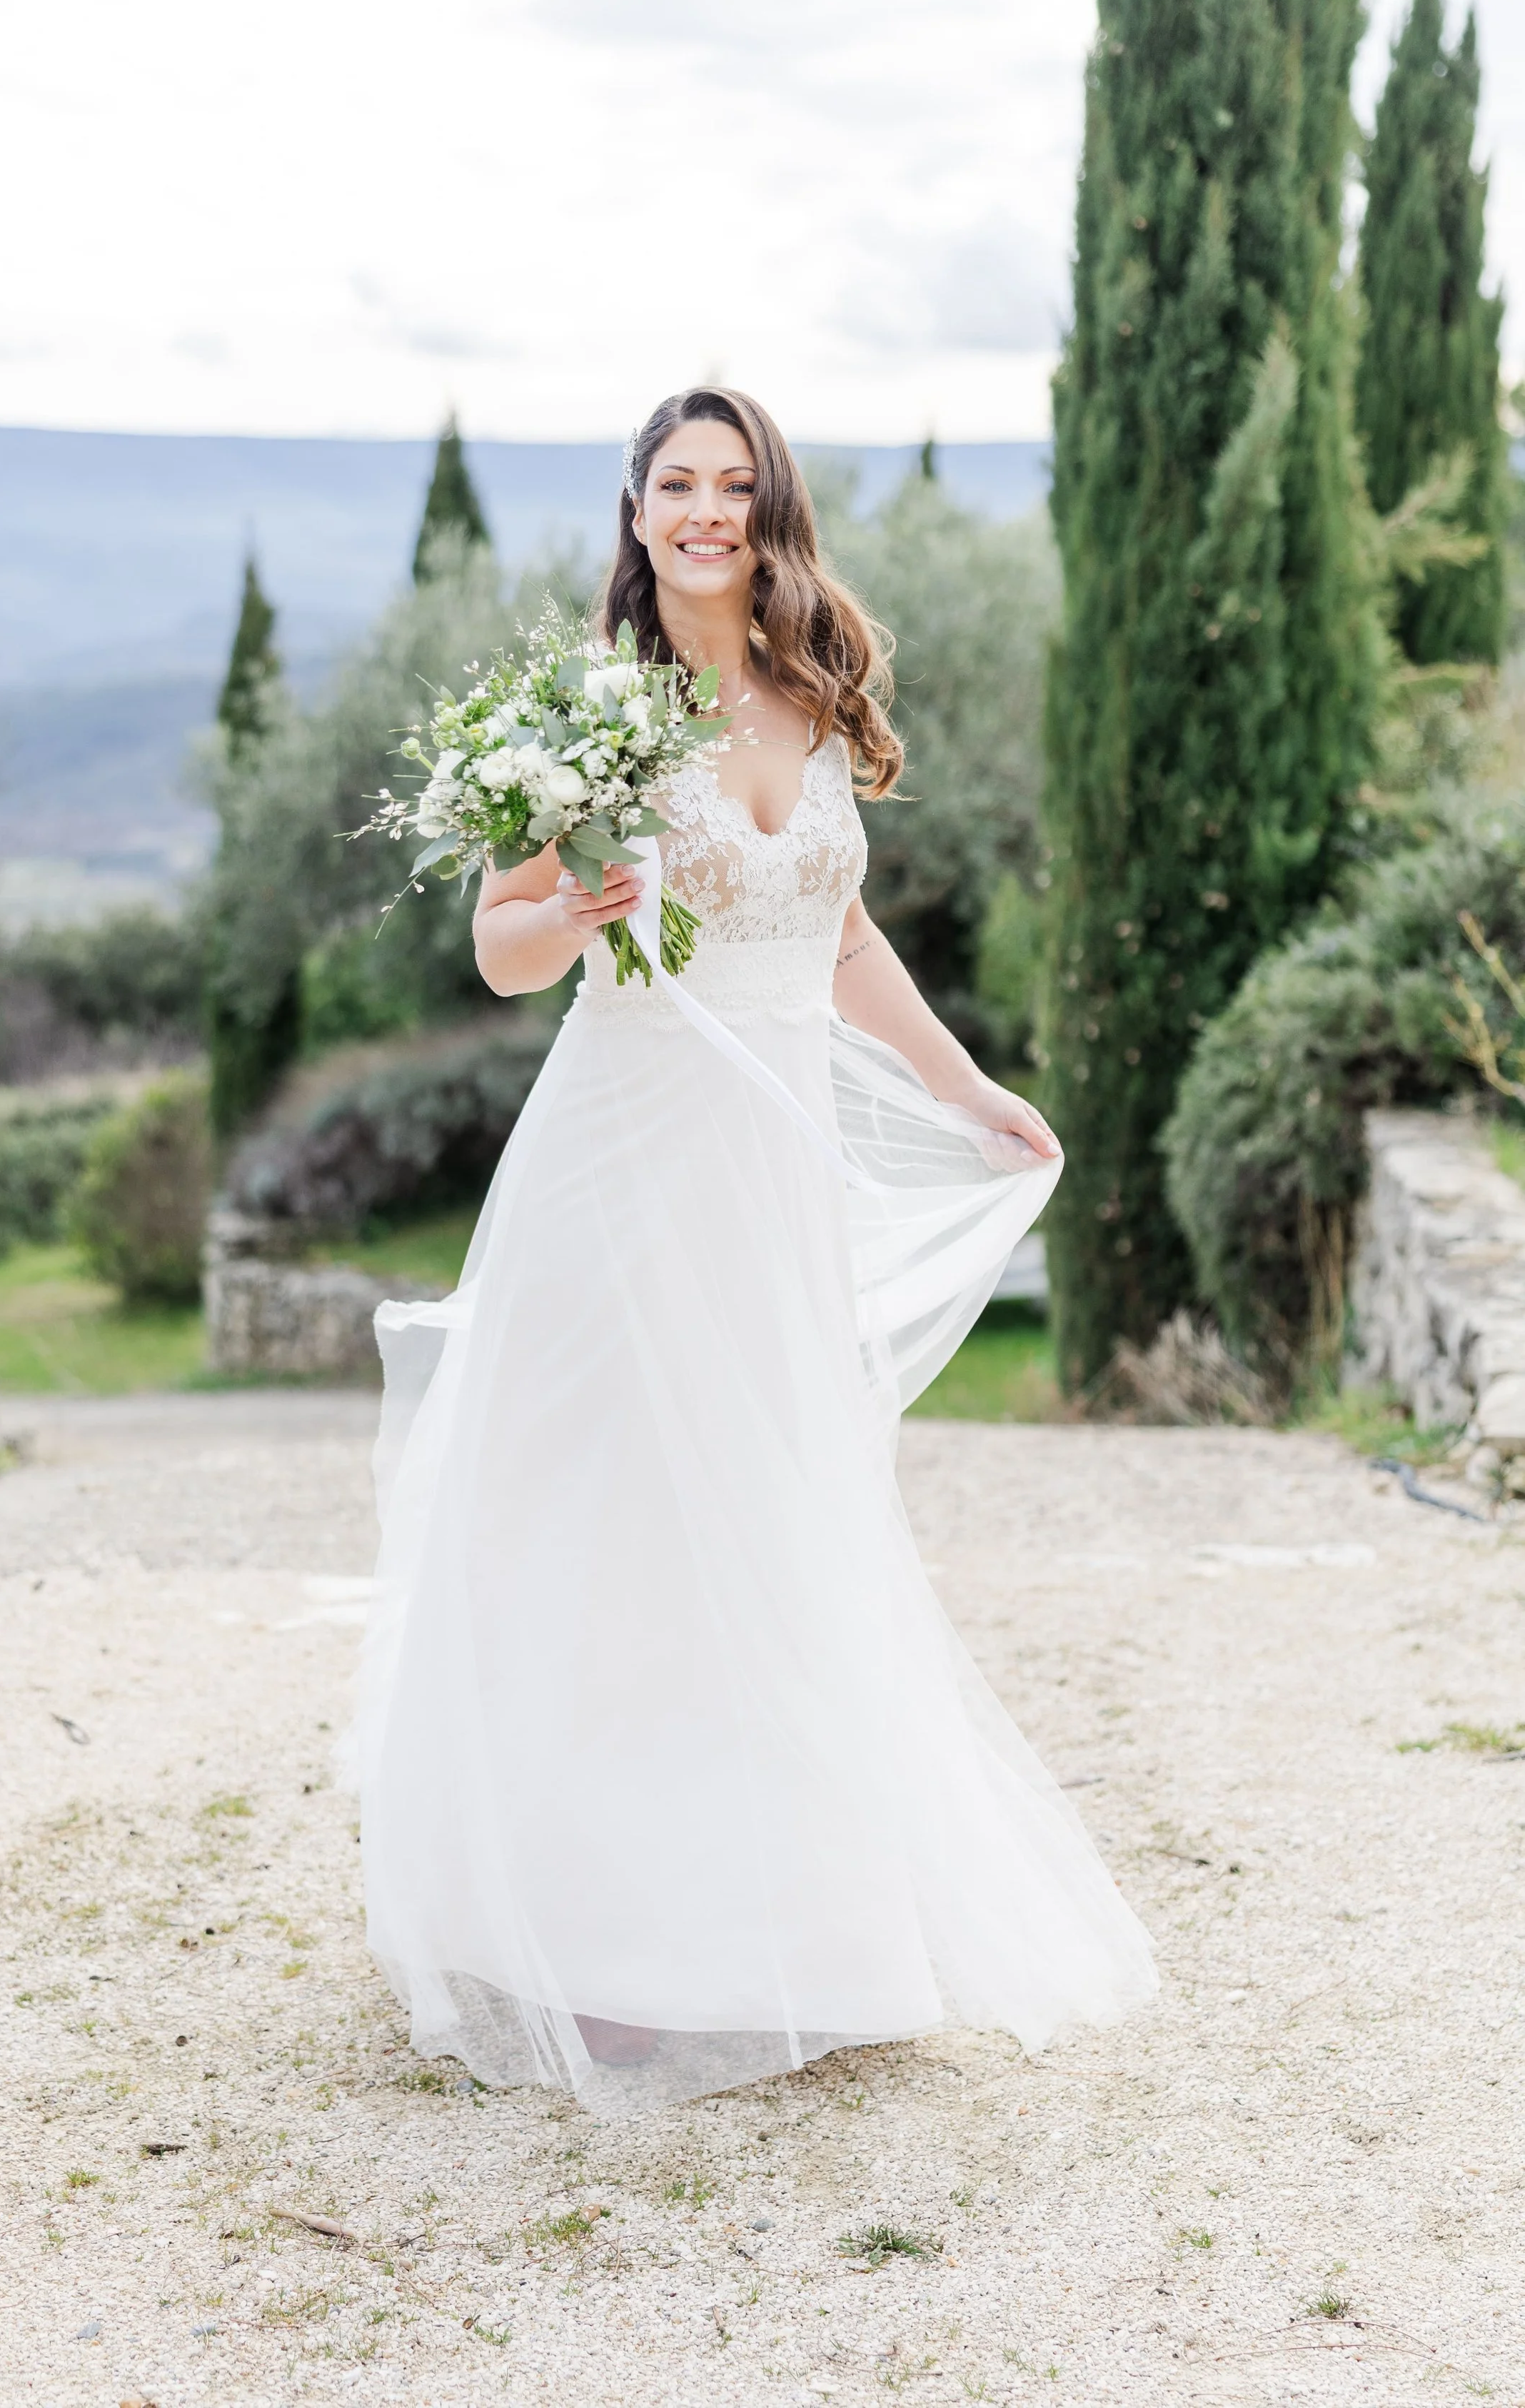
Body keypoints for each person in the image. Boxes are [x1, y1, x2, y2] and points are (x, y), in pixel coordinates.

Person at [354, 386, 1157, 2106]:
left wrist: (961, 1084)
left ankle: (786, 1921)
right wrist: (568, 909)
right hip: (626, 1156)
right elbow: (501, 948)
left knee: (775, 1510)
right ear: (634, 512)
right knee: (614, 1526)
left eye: (733, 484)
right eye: (675, 484)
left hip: (765, 1167)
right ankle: (603, 1944)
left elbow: (839, 931)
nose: (704, 511)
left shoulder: (807, 688)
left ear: (764, 508)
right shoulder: (584, 707)